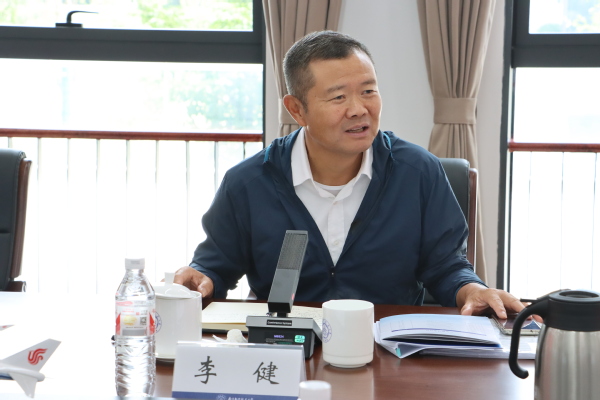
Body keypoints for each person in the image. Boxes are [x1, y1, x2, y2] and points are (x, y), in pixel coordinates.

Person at [174, 30, 524, 318]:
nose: (359, 109)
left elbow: (446, 266)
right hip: (287, 350)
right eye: (338, 97)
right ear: (297, 110)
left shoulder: (419, 172)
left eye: (368, 91)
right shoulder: (249, 183)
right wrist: (200, 278)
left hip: (388, 353)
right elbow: (215, 266)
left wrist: (473, 289)